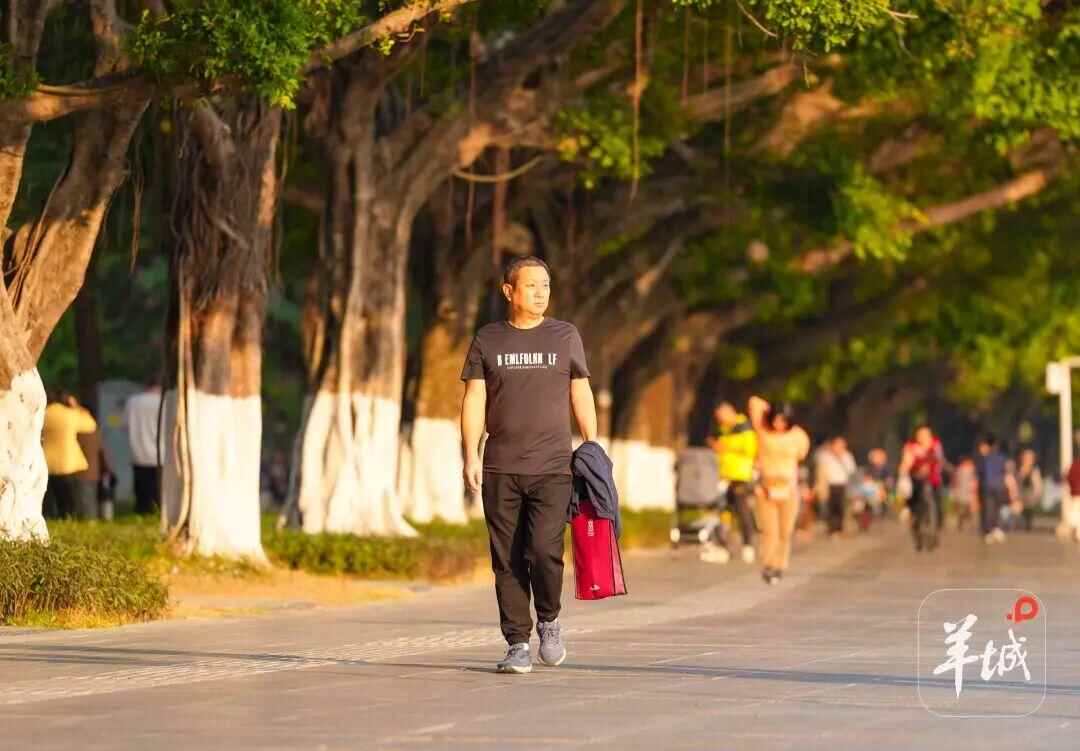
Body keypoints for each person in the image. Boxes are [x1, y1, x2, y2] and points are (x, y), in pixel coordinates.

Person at [460, 256, 597, 675]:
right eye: (532, 285)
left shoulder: (565, 335)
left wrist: (592, 444)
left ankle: (549, 620)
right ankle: (517, 642)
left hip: (553, 467)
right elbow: (475, 398)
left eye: (546, 285)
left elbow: (580, 391)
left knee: (543, 551)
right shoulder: (488, 338)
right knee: (506, 559)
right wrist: (470, 454)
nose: (541, 293)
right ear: (509, 291)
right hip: (500, 467)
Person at [748, 396, 810, 585]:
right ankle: (768, 564)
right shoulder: (763, 433)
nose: (778, 424)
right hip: (767, 488)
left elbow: (801, 455)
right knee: (769, 530)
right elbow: (754, 402)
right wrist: (771, 408)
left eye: (783, 420)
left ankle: (780, 565)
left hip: (789, 489)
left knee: (785, 531)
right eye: (776, 420)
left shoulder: (798, 435)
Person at [706, 401, 758, 563]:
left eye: (722, 416)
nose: (720, 420)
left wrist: (725, 446)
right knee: (724, 510)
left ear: (730, 412)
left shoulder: (744, 427)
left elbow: (750, 449)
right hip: (725, 475)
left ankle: (748, 545)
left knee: (742, 511)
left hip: (740, 475)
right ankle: (723, 544)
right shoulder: (724, 429)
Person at [41, 389, 97, 519]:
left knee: (48, 498)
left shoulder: (43, 413)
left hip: (46, 460)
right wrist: (76, 407)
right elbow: (91, 425)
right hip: (67, 462)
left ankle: (49, 519)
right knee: (67, 500)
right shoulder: (70, 415)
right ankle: (66, 519)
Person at [899, 425, 945, 551]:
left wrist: (930, 466)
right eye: (920, 434)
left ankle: (932, 535)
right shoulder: (911, 447)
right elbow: (906, 463)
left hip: (933, 481)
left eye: (926, 434)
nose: (923, 437)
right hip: (916, 482)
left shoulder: (936, 445)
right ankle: (918, 536)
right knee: (916, 511)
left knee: (933, 507)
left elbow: (940, 460)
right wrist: (902, 475)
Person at [125, 380, 164, 515]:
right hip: (159, 454)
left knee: (141, 491)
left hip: (137, 453)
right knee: (158, 491)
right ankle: (156, 512)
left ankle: (142, 512)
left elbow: (126, 425)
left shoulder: (132, 402)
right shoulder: (162, 401)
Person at [74, 407, 114, 520]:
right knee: (89, 501)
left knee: (82, 501)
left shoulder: (75, 431)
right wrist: (108, 469)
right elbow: (103, 453)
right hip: (92, 472)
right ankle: (91, 521)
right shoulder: (95, 433)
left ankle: (86, 521)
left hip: (78, 471)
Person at [814, 436, 856, 539]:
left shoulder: (847, 456)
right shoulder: (825, 455)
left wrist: (841, 458)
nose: (839, 447)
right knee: (830, 508)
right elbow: (818, 464)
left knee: (841, 508)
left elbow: (852, 469)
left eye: (841, 445)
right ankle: (832, 530)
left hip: (842, 484)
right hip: (829, 485)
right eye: (837, 444)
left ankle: (840, 529)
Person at [975, 435, 1009, 544]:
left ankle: (988, 532)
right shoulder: (1002, 457)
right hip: (999, 487)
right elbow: (1004, 472)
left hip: (987, 487)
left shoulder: (984, 458)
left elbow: (979, 472)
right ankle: (996, 529)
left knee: (988, 510)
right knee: (996, 509)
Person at [1015, 449, 1042, 532]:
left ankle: (1028, 524)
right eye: (1026, 458)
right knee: (1022, 509)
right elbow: (1017, 482)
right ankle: (1023, 523)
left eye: (1030, 458)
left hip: (1031, 493)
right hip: (1021, 492)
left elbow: (1037, 483)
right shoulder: (1019, 469)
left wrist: (1037, 493)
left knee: (1029, 509)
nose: (1027, 460)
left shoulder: (1035, 470)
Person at [951, 456, 978, 533]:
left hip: (966, 493)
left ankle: (968, 524)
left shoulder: (960, 470)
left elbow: (955, 482)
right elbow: (955, 481)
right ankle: (968, 524)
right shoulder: (963, 470)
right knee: (966, 511)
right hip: (965, 493)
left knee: (967, 511)